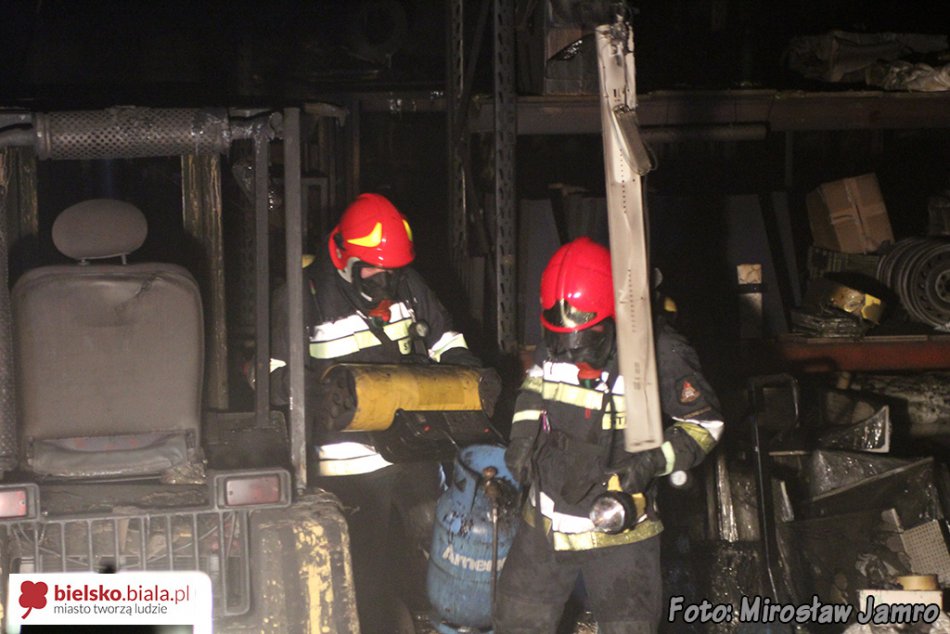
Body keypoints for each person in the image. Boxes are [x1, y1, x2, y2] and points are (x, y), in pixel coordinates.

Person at [269, 192, 484, 631]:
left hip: (412, 447)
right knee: (361, 571)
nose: (386, 284)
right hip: (347, 467)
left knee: (444, 542)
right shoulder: (301, 297)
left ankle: (445, 618)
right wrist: (319, 393)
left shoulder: (406, 282)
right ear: (345, 259)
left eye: (393, 273)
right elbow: (276, 380)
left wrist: (470, 376)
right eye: (375, 274)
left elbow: (448, 341)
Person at [494, 237, 724, 634]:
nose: (571, 353)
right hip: (544, 519)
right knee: (516, 623)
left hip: (620, 531)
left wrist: (653, 460)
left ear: (615, 315)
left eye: (586, 340)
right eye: (560, 340)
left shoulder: (660, 352)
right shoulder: (559, 335)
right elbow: (535, 387)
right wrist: (522, 438)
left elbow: (705, 426)